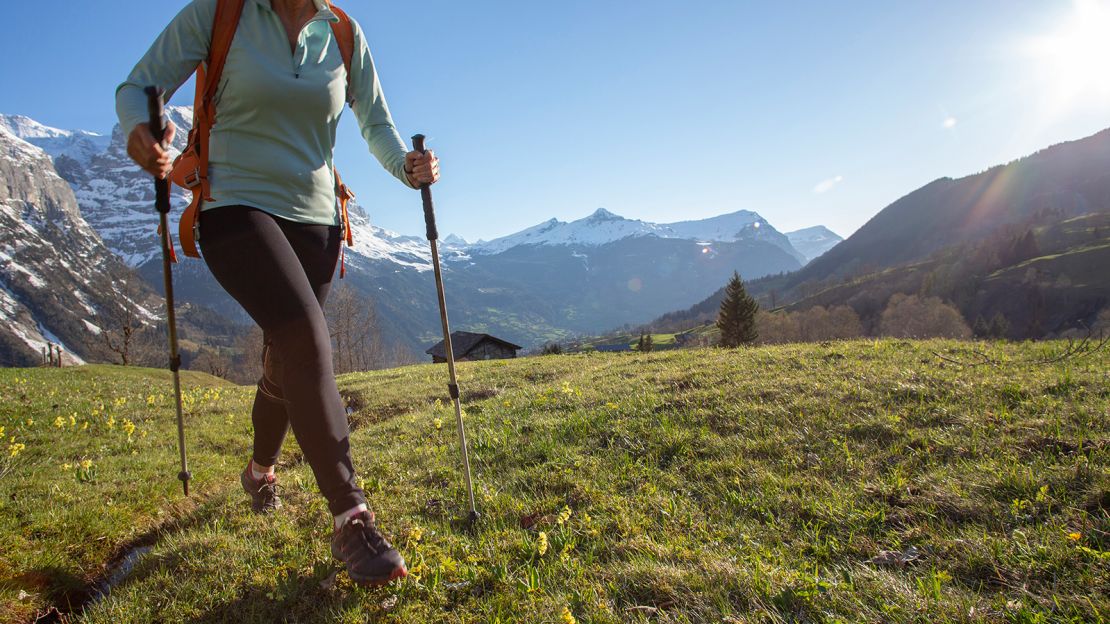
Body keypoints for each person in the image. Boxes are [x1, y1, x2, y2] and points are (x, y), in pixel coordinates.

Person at [115, 0, 438, 586]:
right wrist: (140, 128)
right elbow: (141, 84)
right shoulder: (222, 14)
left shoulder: (341, 31)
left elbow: (376, 122)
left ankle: (260, 472)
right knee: (308, 340)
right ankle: (351, 516)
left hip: (316, 219)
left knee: (285, 360)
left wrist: (405, 166)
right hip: (232, 204)